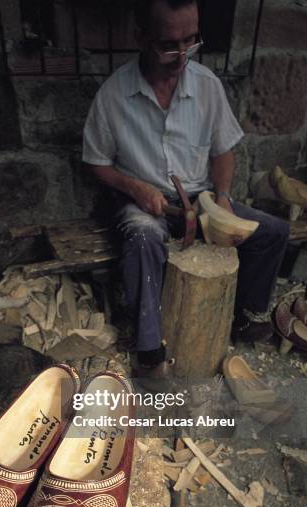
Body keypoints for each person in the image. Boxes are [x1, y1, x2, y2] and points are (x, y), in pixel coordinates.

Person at [82, 0, 289, 387]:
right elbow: (95, 162)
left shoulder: (207, 86)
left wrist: (223, 198)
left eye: (190, 41)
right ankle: (149, 354)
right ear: (140, 37)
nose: (181, 55)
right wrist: (135, 187)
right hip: (143, 199)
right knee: (143, 237)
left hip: (200, 198)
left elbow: (223, 151)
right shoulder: (113, 96)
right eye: (168, 44)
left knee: (274, 232)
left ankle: (243, 317)